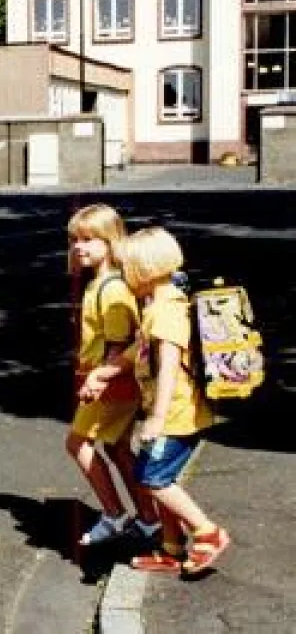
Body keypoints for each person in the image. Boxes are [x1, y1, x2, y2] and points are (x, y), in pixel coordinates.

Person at [118, 227, 230, 575]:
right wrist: (106, 373)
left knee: (152, 478)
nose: (124, 276)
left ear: (144, 269)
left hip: (176, 415)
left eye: (126, 268)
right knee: (158, 476)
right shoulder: (163, 305)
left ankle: (207, 533)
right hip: (173, 413)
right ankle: (171, 548)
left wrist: (157, 419)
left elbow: (168, 368)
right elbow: (141, 351)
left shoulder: (165, 312)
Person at [67, 204, 160, 547]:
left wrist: (98, 378)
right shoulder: (101, 285)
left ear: (111, 241)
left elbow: (121, 344)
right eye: (76, 239)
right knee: (118, 449)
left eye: (90, 239)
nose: (80, 246)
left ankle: (113, 513)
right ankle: (149, 520)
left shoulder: (112, 289)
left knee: (77, 444)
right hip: (111, 380)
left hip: (107, 381)